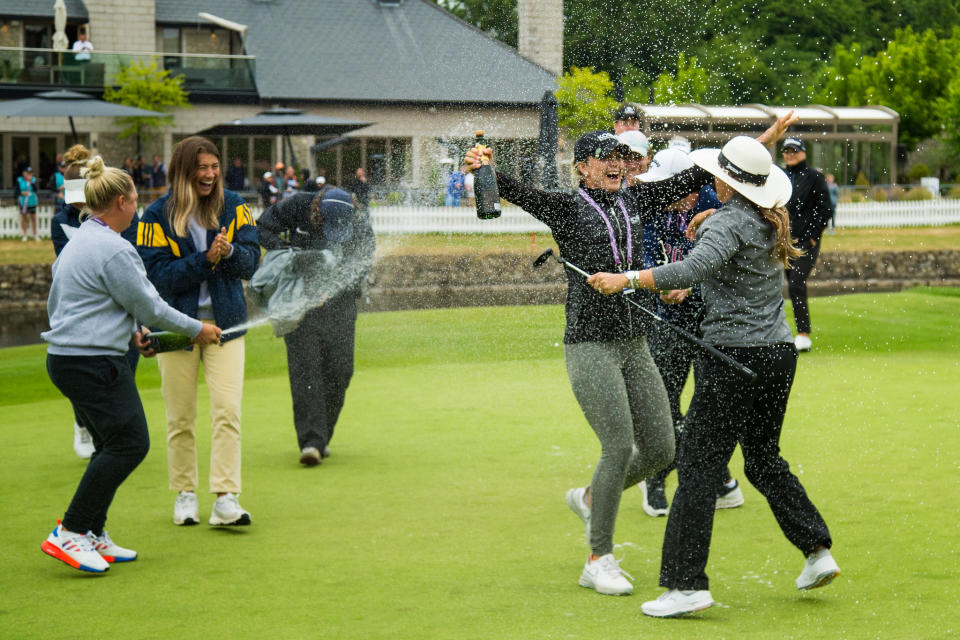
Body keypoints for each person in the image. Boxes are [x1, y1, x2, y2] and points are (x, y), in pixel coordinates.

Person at [465, 115, 794, 597]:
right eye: (607, 158)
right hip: (589, 344)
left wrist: (761, 143)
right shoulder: (564, 207)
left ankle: (591, 497)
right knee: (618, 447)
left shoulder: (635, 198)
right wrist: (484, 166)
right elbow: (513, 189)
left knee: (662, 449)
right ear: (583, 168)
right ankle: (598, 558)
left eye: (622, 157)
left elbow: (704, 174)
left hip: (635, 341)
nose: (619, 164)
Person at [586, 133, 838, 617]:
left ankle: (685, 586)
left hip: (732, 361)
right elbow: (722, 273)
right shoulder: (767, 219)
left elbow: (695, 266)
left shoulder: (727, 222)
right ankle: (817, 551)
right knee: (763, 459)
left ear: (725, 182)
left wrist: (628, 279)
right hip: (776, 356)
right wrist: (695, 265)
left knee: (699, 470)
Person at [40, 155, 221, 574]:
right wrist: (198, 329)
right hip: (91, 363)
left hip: (72, 359)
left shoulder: (82, 238)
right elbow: (151, 305)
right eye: (135, 200)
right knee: (130, 443)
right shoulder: (114, 247)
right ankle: (70, 531)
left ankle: (91, 533)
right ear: (121, 202)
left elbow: (97, 303)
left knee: (108, 444)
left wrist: (129, 331)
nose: (138, 208)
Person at [137, 136, 259, 527]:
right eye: (201, 168)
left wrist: (230, 254)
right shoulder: (154, 216)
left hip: (227, 325)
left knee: (227, 412)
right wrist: (205, 259)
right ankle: (185, 495)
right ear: (183, 171)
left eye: (214, 166)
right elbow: (156, 278)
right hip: (177, 327)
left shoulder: (236, 206)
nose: (209, 174)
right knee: (180, 417)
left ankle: (226, 497)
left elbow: (252, 262)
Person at [634, 147, 743, 517]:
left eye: (674, 190)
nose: (667, 198)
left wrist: (692, 287)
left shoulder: (717, 206)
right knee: (666, 400)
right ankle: (657, 479)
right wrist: (661, 284)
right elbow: (646, 257)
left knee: (709, 403)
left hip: (711, 319)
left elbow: (727, 264)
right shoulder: (652, 208)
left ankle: (719, 477)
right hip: (668, 319)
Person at [256, 188, 376, 466]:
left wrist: (333, 290)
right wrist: (288, 254)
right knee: (306, 371)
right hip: (300, 304)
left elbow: (361, 265)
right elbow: (262, 228)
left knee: (340, 370)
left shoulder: (361, 226)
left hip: (341, 304)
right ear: (317, 212)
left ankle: (322, 436)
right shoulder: (298, 205)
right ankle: (311, 442)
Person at [52, 144, 141, 459]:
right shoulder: (62, 220)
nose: (72, 197)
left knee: (127, 368)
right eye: (68, 190)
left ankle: (113, 438)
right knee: (92, 377)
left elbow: (128, 261)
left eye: (76, 189)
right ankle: (86, 425)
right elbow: (69, 267)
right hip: (87, 314)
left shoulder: (118, 217)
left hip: (125, 307)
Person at [781, 137, 833, 352]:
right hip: (785, 243)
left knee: (796, 284)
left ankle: (803, 334)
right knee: (787, 286)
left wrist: (812, 236)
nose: (790, 154)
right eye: (786, 150)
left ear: (803, 152)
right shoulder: (781, 176)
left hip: (806, 242)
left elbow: (825, 209)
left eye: (794, 150)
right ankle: (782, 332)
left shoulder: (814, 176)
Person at [18, 165, 39, 242]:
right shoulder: (19, 180)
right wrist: (22, 193)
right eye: (27, 173)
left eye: (30, 173)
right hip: (23, 202)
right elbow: (16, 192)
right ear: (24, 173)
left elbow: (36, 189)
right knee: (24, 218)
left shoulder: (33, 180)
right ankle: (24, 235)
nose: (29, 174)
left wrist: (30, 182)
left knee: (33, 217)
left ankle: (35, 234)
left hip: (32, 201)